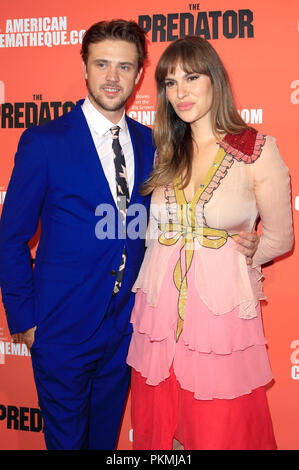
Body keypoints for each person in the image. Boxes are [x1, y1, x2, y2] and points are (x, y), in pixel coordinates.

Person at [0, 21, 259, 450]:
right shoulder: (44, 142)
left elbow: (184, 215)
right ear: (84, 67)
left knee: (105, 443)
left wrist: (244, 237)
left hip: (127, 330)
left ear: (139, 74)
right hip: (60, 328)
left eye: (124, 67)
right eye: (101, 64)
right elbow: (10, 239)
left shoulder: (153, 143)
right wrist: (25, 322)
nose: (112, 78)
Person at [126, 35, 294, 450]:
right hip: (159, 315)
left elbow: (281, 236)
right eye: (169, 82)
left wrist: (253, 252)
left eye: (191, 77)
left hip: (219, 319)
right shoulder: (163, 150)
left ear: (214, 80)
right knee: (162, 432)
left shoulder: (255, 148)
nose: (180, 92)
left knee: (221, 428)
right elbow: (148, 233)